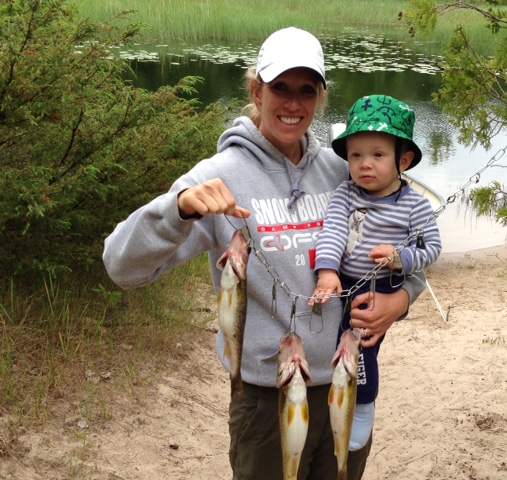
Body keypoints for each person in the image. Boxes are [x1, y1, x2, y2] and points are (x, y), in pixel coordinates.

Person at [103, 27, 427, 480]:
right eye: (280, 88)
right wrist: (178, 209)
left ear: (320, 98)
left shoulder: (345, 170)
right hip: (266, 397)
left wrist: (402, 300)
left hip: (345, 384)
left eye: (306, 90)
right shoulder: (218, 175)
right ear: (257, 90)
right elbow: (121, 267)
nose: (293, 103)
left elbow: (410, 244)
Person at [310, 94, 442, 453]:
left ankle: (364, 404)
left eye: (378, 155)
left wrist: (401, 259)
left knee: (361, 346)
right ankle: (335, 393)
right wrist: (327, 272)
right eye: (356, 155)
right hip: (344, 281)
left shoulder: (414, 205)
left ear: (404, 160)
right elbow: (332, 233)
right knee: (335, 339)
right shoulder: (346, 193)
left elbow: (432, 248)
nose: (365, 164)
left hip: (380, 287)